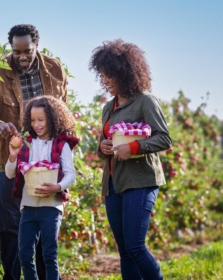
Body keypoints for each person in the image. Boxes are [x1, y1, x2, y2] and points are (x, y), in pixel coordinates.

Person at [0, 24, 68, 280]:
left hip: (46, 162)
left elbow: (63, 113)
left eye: (27, 51)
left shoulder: (54, 69)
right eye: (16, 52)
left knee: (44, 224)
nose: (22, 57)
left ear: (36, 45)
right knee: (11, 226)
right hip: (11, 159)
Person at [89, 39, 172, 280]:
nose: (106, 82)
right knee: (125, 251)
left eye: (110, 76)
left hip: (140, 181)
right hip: (114, 184)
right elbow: (105, 145)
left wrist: (134, 147)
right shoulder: (108, 108)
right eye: (103, 76)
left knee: (135, 246)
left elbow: (164, 139)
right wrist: (102, 147)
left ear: (125, 73)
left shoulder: (145, 100)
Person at [5, 96, 79, 280]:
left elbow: (71, 174)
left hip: (51, 207)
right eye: (32, 120)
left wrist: (57, 187)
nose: (36, 124)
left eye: (41, 120)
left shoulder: (61, 145)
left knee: (49, 255)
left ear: (52, 119)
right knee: (24, 255)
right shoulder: (26, 144)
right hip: (29, 206)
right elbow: (9, 174)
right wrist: (13, 156)